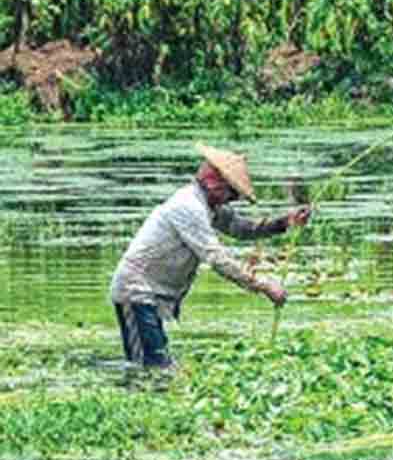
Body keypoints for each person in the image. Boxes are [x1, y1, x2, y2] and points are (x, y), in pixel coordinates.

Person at [109, 142, 311, 368]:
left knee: (157, 364)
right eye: (232, 193)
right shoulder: (189, 206)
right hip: (136, 291)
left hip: (153, 294)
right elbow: (217, 259)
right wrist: (264, 286)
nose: (231, 200)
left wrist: (284, 222)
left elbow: (240, 228)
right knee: (149, 367)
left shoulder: (208, 206)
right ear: (213, 181)